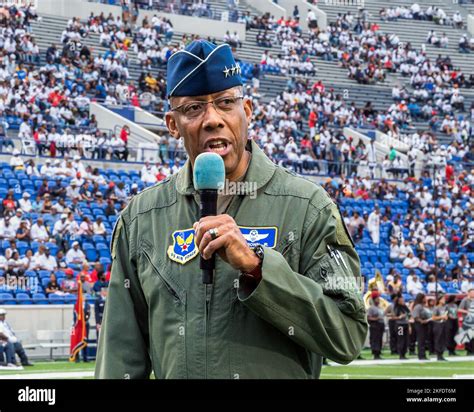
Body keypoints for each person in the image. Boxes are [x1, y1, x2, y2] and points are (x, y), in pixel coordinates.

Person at [95, 40, 368, 380]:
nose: (213, 119)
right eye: (194, 108)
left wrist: (258, 270)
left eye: (226, 103)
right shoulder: (141, 218)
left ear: (247, 110)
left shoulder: (308, 206)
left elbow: (348, 336)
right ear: (172, 124)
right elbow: (120, 359)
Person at [412, 293, 431, 360]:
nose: (426, 299)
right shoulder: (418, 306)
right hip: (420, 324)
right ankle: (421, 355)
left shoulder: (423, 306)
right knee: (421, 340)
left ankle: (423, 354)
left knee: (423, 340)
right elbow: (415, 316)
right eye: (424, 298)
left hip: (425, 324)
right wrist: (421, 321)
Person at [367, 294, 385, 359]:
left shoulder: (380, 308)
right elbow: (368, 318)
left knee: (380, 339)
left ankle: (379, 353)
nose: (378, 300)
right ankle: (375, 353)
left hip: (381, 325)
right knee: (375, 339)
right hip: (375, 325)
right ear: (374, 300)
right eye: (377, 299)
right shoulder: (371, 308)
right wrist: (376, 319)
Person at [393, 295, 410, 359]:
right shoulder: (396, 308)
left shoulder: (405, 307)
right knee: (401, 339)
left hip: (405, 324)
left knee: (406, 339)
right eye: (401, 301)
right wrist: (399, 317)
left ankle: (404, 353)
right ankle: (401, 354)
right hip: (400, 325)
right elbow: (393, 317)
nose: (403, 301)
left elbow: (409, 314)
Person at [432, 294, 448, 361]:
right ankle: (438, 354)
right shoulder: (436, 307)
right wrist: (441, 317)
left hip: (443, 324)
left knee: (443, 339)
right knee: (438, 339)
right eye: (443, 299)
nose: (444, 300)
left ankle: (442, 353)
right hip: (438, 324)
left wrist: (445, 317)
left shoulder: (444, 308)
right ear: (439, 300)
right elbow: (433, 317)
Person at [458, 287, 474, 355]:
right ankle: (469, 350)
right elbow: (459, 309)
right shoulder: (465, 300)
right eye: (472, 292)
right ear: (469, 293)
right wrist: (468, 311)